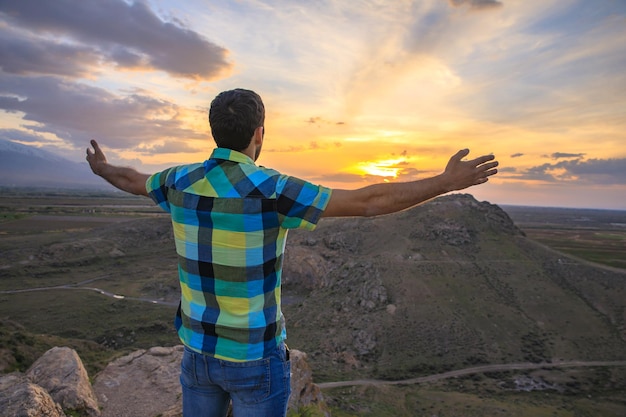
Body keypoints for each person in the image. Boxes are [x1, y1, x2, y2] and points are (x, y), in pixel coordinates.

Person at [86, 88, 498, 417]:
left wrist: (103, 169)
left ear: (214, 130)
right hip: (254, 358)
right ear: (259, 132)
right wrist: (444, 183)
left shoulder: (179, 180)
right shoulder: (273, 190)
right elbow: (369, 202)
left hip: (197, 352)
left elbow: (133, 179)